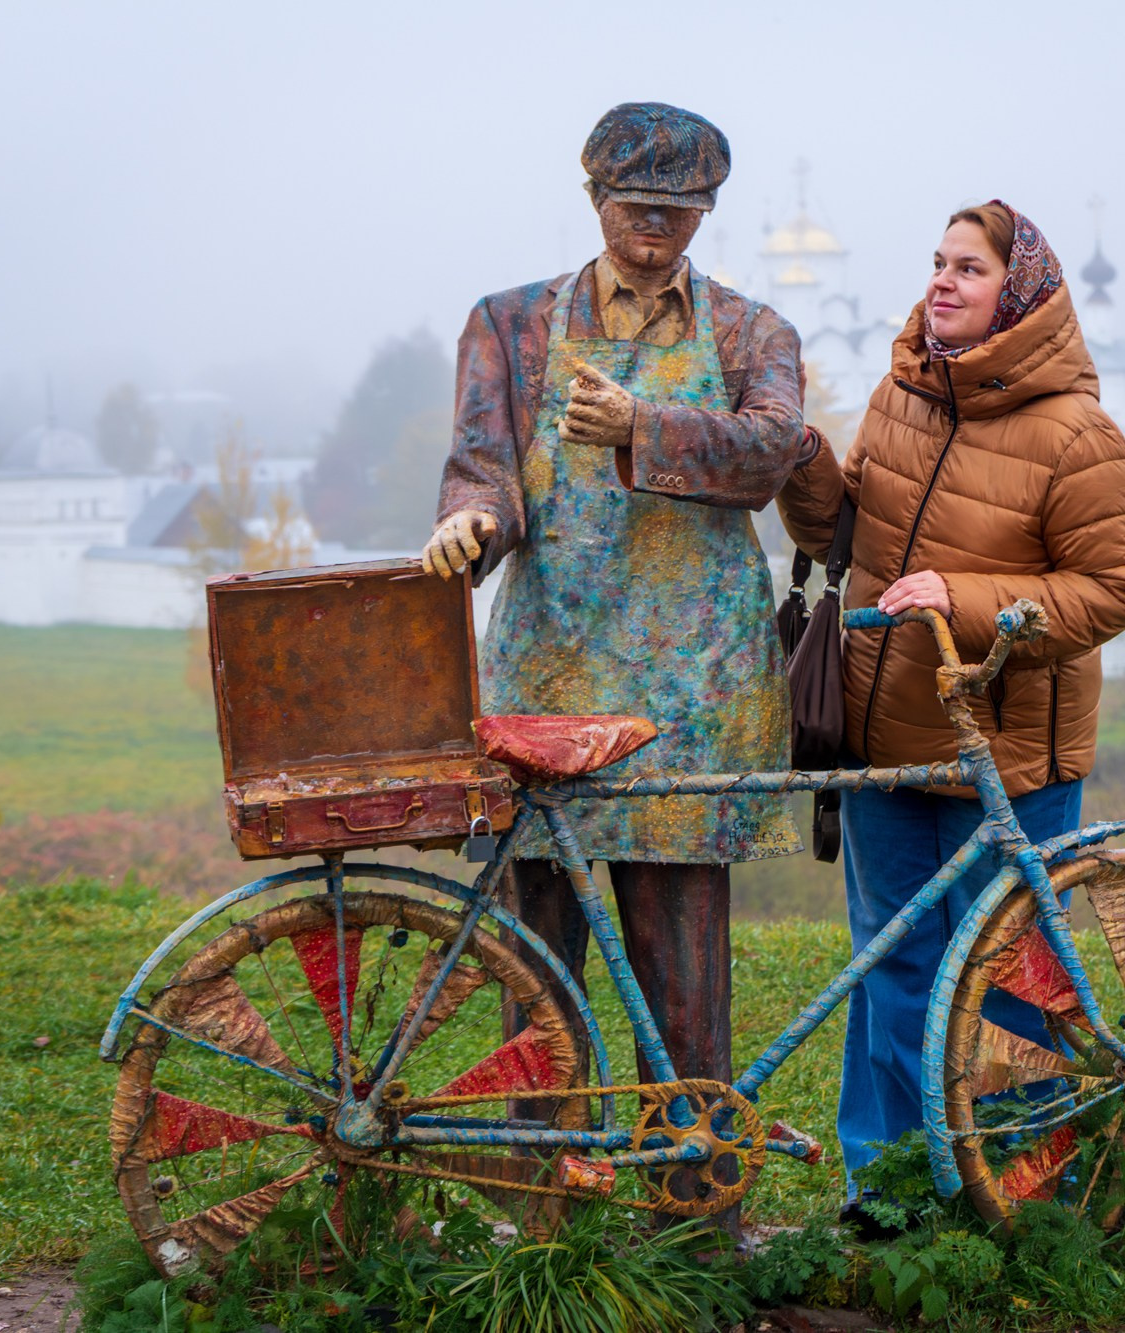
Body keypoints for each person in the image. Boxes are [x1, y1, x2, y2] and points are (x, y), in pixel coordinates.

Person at [424, 102, 809, 1225]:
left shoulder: (750, 334)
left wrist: (643, 423)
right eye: (639, 211)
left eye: (681, 214)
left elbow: (768, 454)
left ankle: (691, 1218)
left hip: (695, 690)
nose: (657, 234)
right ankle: (533, 1209)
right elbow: (479, 468)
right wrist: (471, 527)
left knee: (682, 964)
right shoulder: (509, 326)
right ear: (594, 202)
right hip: (548, 676)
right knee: (535, 957)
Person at [776, 200, 1125, 1233]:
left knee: (1009, 981)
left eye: (968, 269)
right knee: (892, 966)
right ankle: (889, 1195)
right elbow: (849, 530)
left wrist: (965, 597)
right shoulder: (902, 393)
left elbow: (1112, 589)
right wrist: (804, 462)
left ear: (1017, 297)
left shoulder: (1075, 431)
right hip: (886, 741)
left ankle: (1023, 1199)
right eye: (936, 263)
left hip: (1011, 754)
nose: (940, 281)